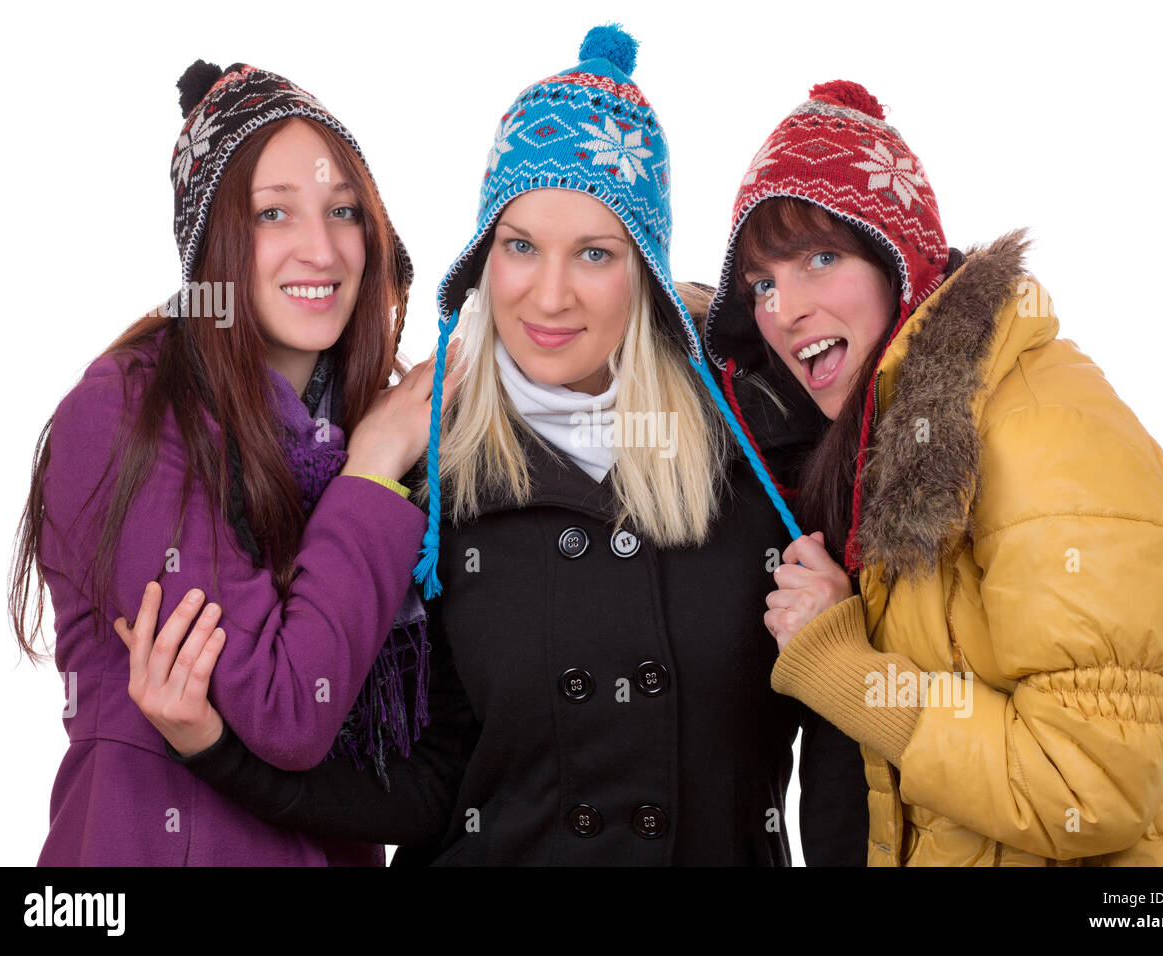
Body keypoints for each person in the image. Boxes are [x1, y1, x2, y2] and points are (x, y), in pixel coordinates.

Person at [117, 26, 868, 866]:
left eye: (594, 252)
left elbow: (838, 768)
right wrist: (213, 745)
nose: (549, 295)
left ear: (645, 271)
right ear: (482, 262)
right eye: (520, 247)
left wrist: (843, 643)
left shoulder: (763, 446)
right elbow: (425, 779)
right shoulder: (426, 476)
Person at [702, 78, 1163, 865]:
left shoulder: (1041, 434)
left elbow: (1086, 792)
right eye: (762, 284)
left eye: (821, 258)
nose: (783, 309)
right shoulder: (896, 431)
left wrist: (848, 669)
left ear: (897, 264)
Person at [10, 59, 461, 866]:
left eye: (343, 211)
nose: (320, 249)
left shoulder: (371, 423)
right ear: (213, 242)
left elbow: (437, 765)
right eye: (274, 214)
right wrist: (373, 468)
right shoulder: (127, 412)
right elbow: (287, 707)